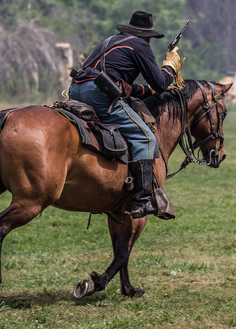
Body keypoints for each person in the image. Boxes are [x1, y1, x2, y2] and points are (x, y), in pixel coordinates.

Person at [69, 11, 183, 219]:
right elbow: (160, 82)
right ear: (147, 36)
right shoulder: (141, 46)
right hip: (99, 94)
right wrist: (170, 66)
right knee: (146, 138)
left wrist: (148, 90)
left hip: (77, 90)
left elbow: (126, 87)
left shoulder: (109, 41)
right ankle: (140, 201)